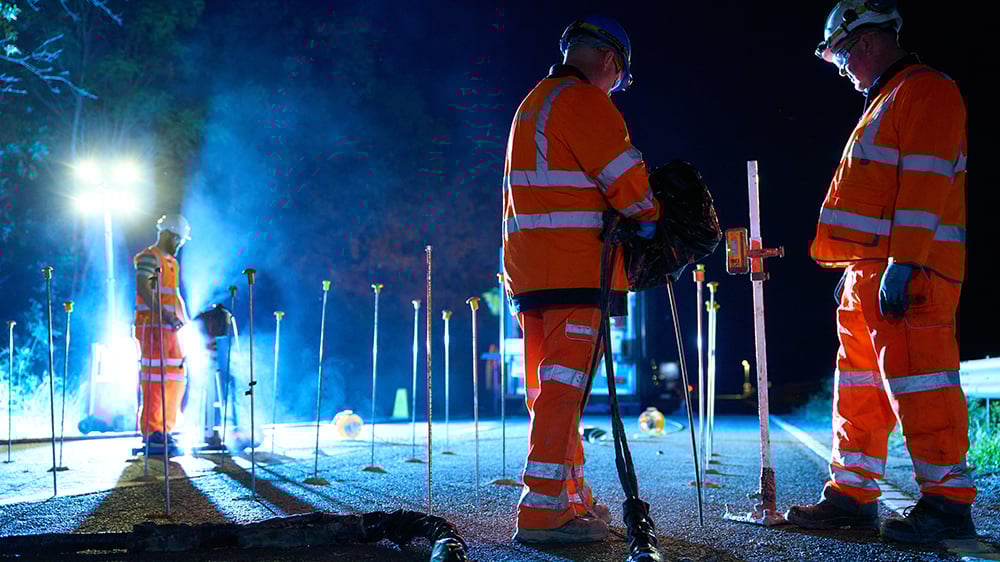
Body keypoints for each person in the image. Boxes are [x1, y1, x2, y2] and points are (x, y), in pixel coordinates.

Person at [786, 0, 973, 544]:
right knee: (860, 389)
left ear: (866, 42)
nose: (842, 67)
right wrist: (859, 268)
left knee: (923, 386)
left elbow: (925, 183)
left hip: (910, 275)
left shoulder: (926, 91)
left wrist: (905, 261)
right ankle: (853, 494)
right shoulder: (887, 100)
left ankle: (946, 505)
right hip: (871, 273)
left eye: (843, 54)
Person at [502, 15, 660, 544]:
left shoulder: (533, 104)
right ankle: (545, 512)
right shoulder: (585, 101)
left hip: (533, 273)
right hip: (574, 271)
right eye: (619, 77)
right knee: (565, 391)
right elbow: (628, 185)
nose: (616, 87)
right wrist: (654, 217)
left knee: (551, 391)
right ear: (610, 62)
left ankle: (569, 497)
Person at [134, 214, 192, 449]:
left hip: (170, 330)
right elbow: (144, 288)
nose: (179, 244)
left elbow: (174, 293)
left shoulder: (171, 262)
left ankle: (165, 429)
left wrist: (185, 320)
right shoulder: (150, 257)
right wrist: (165, 315)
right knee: (154, 379)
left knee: (176, 379)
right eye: (178, 239)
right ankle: (152, 431)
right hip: (152, 327)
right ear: (167, 234)